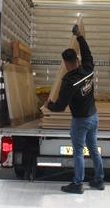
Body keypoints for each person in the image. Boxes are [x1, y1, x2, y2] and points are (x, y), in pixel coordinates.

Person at [45, 25, 105, 194]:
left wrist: (49, 104)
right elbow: (88, 53)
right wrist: (79, 37)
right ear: (77, 59)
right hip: (93, 116)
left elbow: (60, 107)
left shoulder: (69, 81)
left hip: (80, 120)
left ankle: (77, 184)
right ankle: (99, 181)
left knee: (78, 152)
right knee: (93, 149)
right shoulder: (88, 69)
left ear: (65, 63)